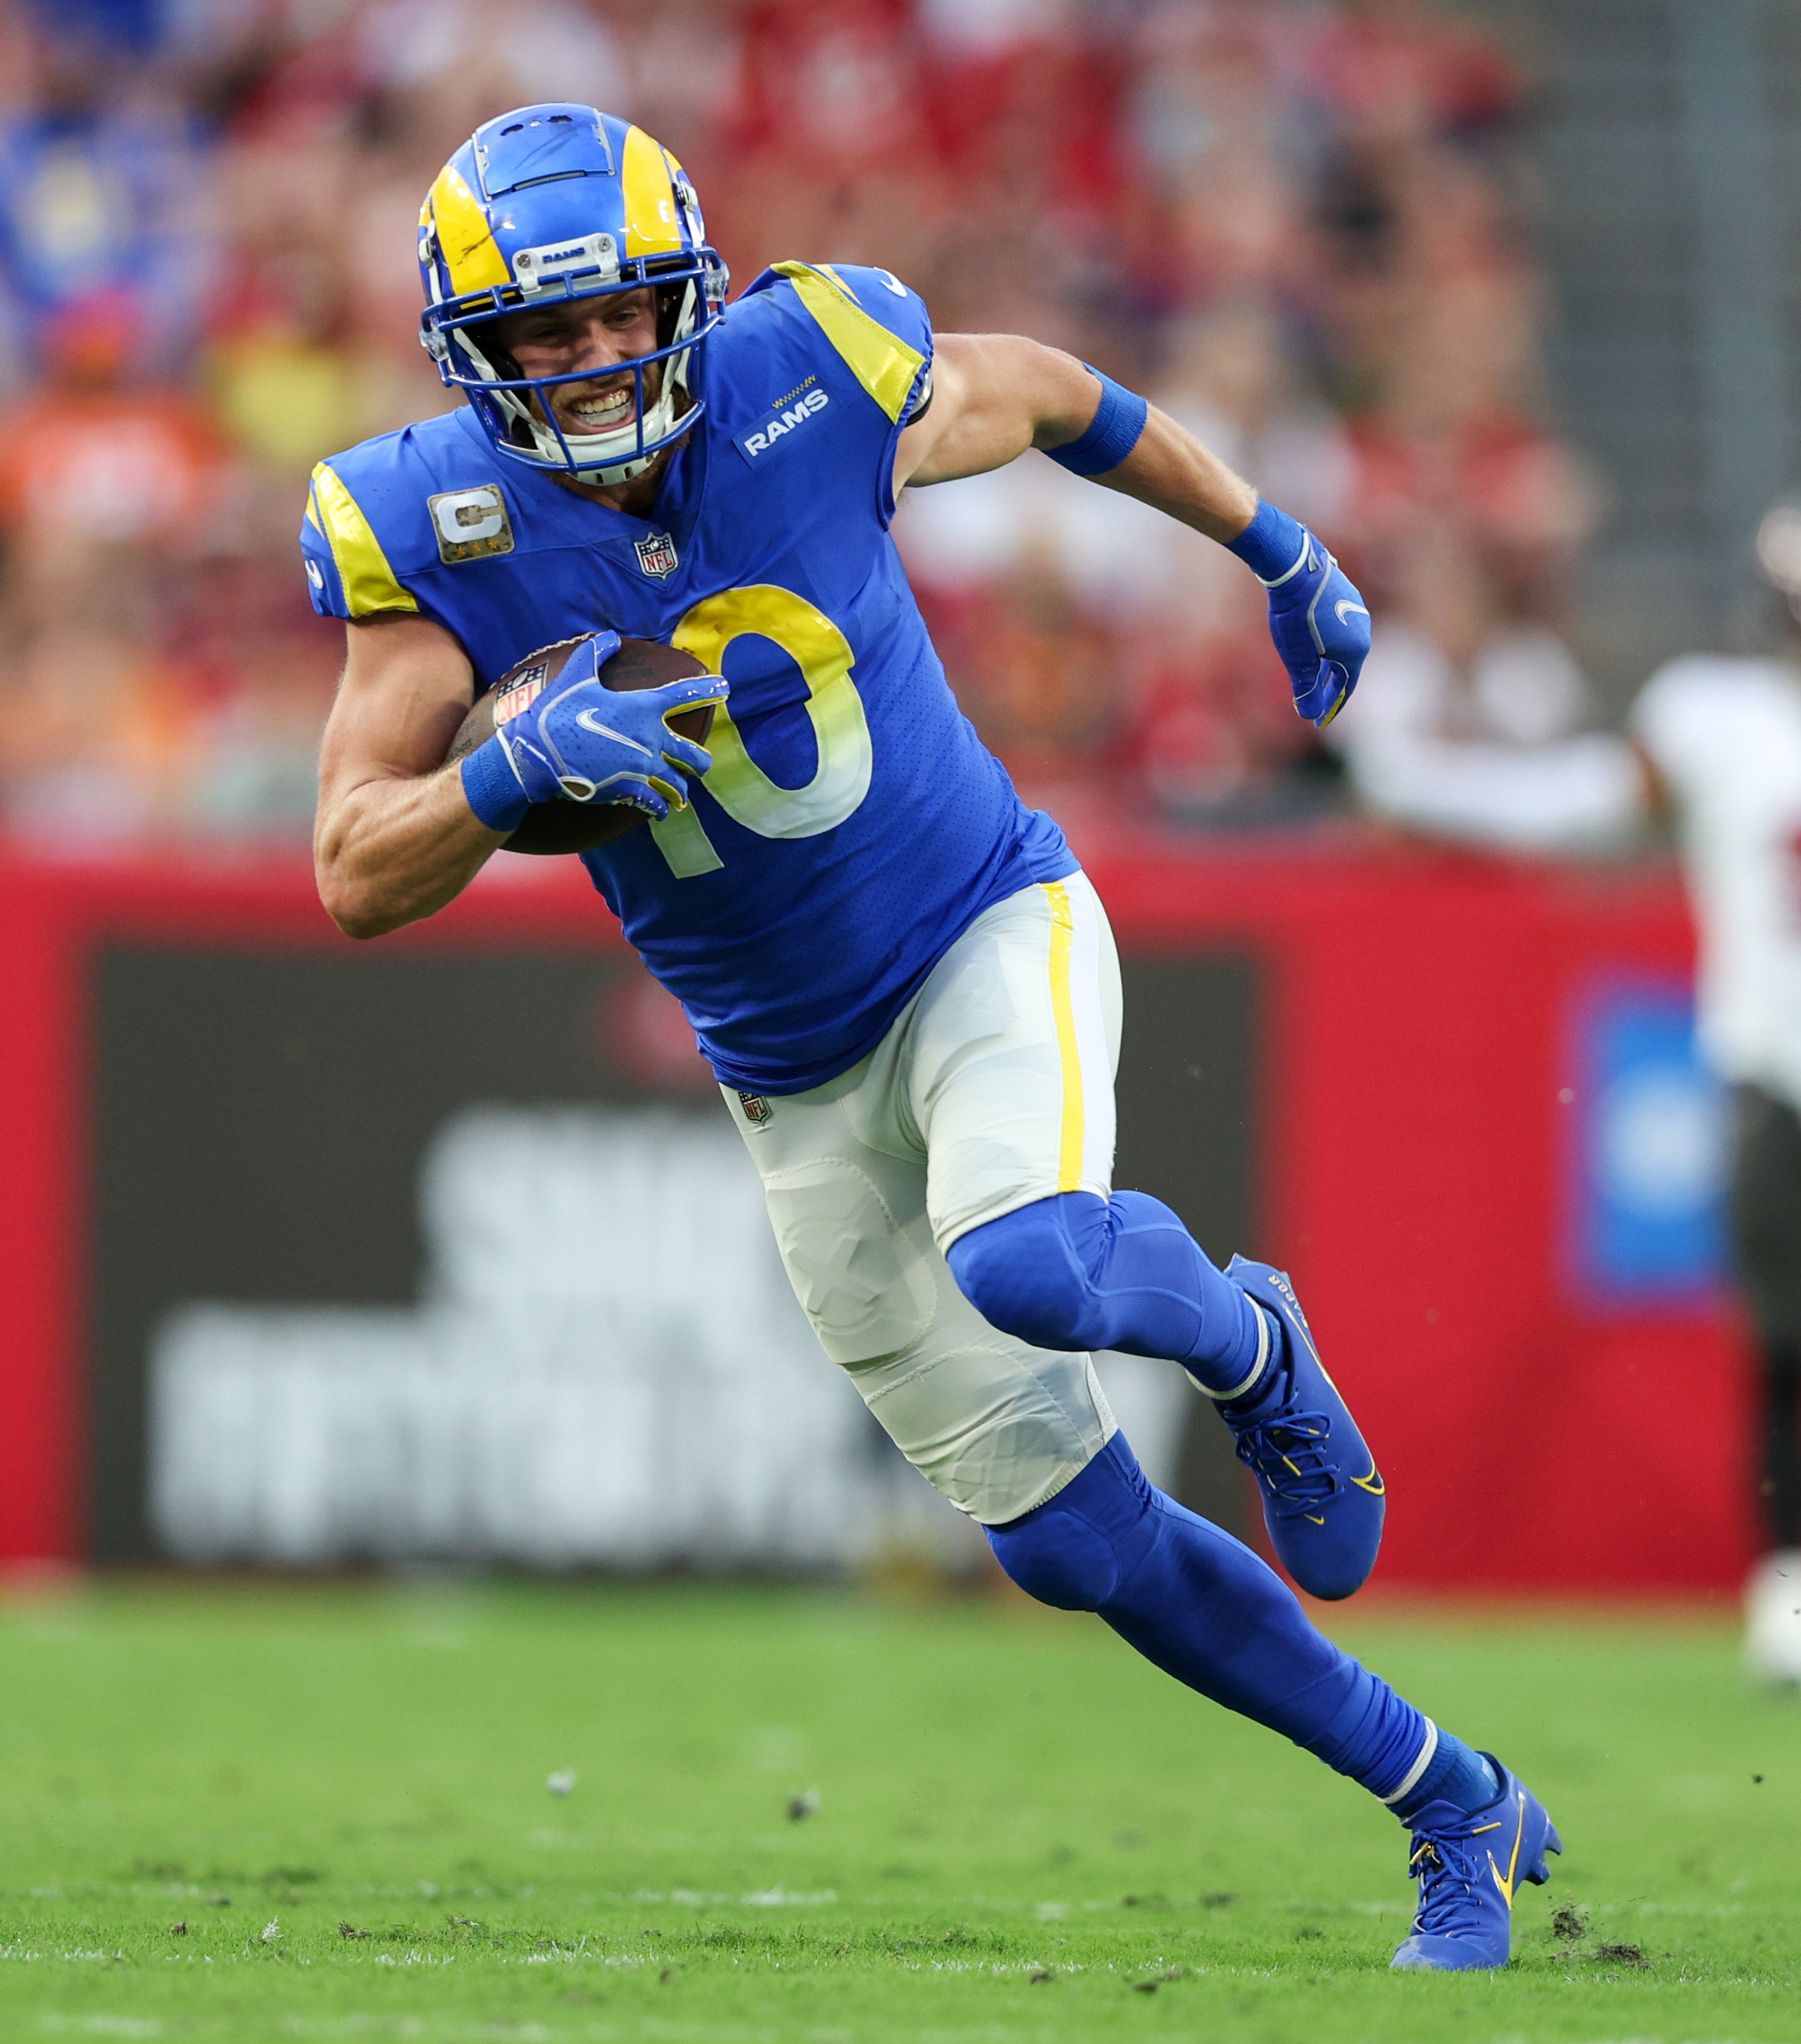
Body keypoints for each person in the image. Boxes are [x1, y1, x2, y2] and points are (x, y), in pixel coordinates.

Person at [303, 103, 1550, 1970]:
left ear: (687, 298)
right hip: (786, 1071)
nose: (582, 366)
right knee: (1065, 1543)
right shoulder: (435, 528)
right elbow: (350, 867)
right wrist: (498, 770)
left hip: (982, 926)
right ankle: (1447, 1797)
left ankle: (1244, 1332)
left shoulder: (807, 366)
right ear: (467, 359)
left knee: (1035, 1256)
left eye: (612, 319)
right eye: (536, 341)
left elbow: (1049, 391)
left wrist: (1275, 542)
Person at [1329, 503, 1801, 1687]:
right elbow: (1580, 801)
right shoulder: (1718, 717)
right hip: (1777, 1074)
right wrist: (1421, 782)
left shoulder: (1718, 716)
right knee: (1790, 1349)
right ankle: (1788, 1581)